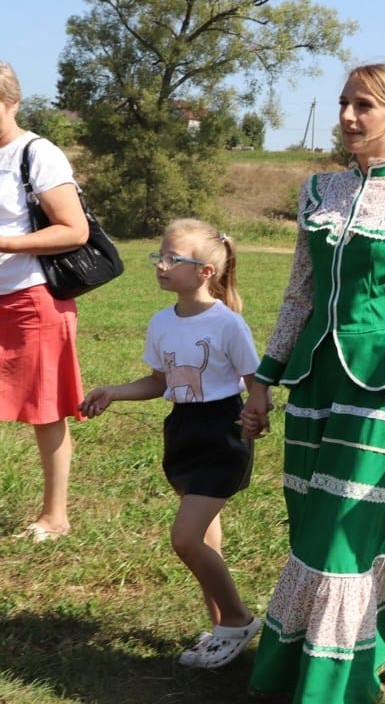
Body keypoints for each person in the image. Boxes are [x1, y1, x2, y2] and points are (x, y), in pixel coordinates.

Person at [240, 63, 385, 704]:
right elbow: (299, 293)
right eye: (343, 103)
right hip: (316, 384)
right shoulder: (318, 191)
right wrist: (263, 379)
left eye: (363, 105)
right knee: (316, 520)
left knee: (339, 532)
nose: (347, 115)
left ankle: (329, 679)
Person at [80, 219, 261, 668]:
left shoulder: (227, 324)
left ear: (204, 272)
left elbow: (257, 382)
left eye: (172, 259)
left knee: (184, 538)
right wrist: (114, 392)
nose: (160, 265)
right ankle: (220, 625)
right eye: (159, 255)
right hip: (182, 432)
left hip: (222, 432)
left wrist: (257, 413)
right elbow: (160, 382)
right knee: (203, 536)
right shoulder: (162, 321)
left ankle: (238, 619)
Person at [0, 61, 90, 542]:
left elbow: (74, 230)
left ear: (11, 102)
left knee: (45, 410)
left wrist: (4, 243)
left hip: (31, 299)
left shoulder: (37, 153)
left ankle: (55, 517)